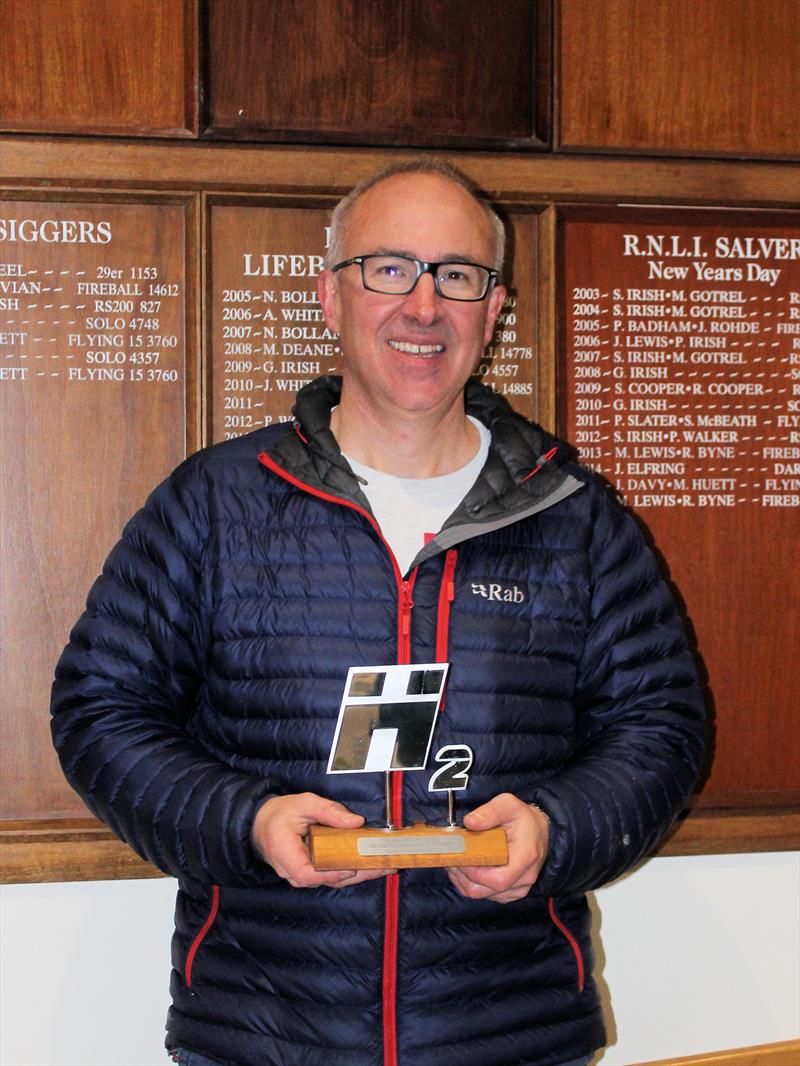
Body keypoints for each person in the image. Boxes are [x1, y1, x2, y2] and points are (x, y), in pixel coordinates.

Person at [51, 158, 706, 1066]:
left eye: (457, 275)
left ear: (494, 306)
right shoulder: (217, 502)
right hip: (264, 1033)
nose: (424, 305)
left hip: (510, 1032)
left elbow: (663, 729)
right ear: (331, 295)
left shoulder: (575, 516)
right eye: (389, 268)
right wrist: (247, 822)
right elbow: (100, 712)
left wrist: (557, 829)